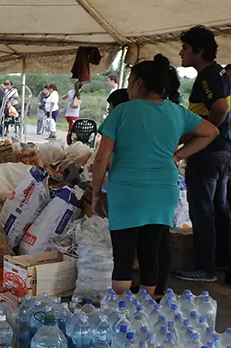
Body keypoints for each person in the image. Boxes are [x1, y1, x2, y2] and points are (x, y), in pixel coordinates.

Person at [91, 55, 219, 297]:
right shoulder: (177, 112)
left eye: (129, 82)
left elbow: (101, 158)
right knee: (151, 251)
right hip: (163, 190)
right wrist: (179, 155)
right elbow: (210, 131)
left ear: (139, 83)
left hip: (127, 191)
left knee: (123, 257)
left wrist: (97, 193)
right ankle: (147, 310)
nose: (128, 88)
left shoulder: (122, 112)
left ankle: (120, 309)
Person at [175, 25, 231, 283]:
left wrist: (207, 132)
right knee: (219, 206)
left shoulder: (208, 75)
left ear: (199, 50)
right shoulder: (219, 73)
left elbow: (219, 107)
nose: (181, 53)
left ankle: (204, 266)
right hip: (223, 152)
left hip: (208, 152)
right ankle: (222, 258)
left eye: (185, 48)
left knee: (202, 209)